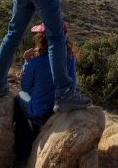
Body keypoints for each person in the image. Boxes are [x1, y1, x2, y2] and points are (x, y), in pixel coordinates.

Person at [13, 22, 78, 160]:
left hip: (40, 113)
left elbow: (24, 86)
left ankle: (24, 149)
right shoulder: (69, 57)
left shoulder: (35, 61)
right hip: (58, 109)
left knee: (18, 99)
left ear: (41, 38)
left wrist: (26, 61)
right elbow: (73, 83)